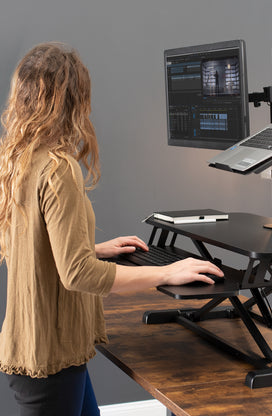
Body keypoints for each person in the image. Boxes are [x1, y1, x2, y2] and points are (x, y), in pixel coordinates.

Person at [0, 42, 223, 416]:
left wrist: (95, 248)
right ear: (75, 100)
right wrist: (167, 272)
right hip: (51, 356)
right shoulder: (58, 168)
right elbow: (77, 274)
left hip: (35, 344)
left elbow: (30, 242)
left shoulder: (18, 158)